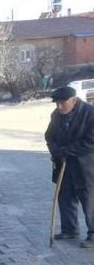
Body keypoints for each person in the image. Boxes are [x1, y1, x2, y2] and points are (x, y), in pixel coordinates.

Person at [45, 86, 94, 249]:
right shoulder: (56, 114)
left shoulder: (90, 113)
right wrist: (55, 151)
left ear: (73, 100)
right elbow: (49, 136)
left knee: (89, 200)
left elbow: (91, 140)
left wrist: (67, 150)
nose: (59, 107)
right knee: (65, 197)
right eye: (57, 103)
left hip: (86, 166)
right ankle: (70, 229)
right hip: (63, 165)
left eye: (62, 103)